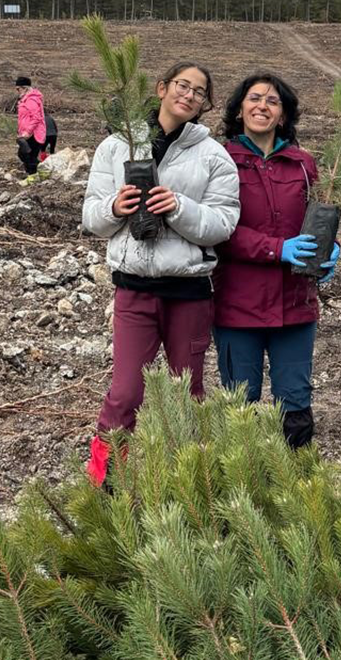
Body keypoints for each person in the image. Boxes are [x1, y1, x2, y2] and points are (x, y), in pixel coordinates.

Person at [81, 62, 240, 486]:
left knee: (186, 394)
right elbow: (91, 215)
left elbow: (224, 223)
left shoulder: (214, 156)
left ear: (205, 104)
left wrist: (179, 208)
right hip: (133, 290)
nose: (188, 95)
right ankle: (106, 481)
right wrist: (115, 207)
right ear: (162, 88)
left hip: (188, 292)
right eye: (182, 86)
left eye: (199, 92)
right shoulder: (118, 145)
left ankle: (189, 483)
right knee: (126, 393)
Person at [212, 72, 341, 449]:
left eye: (272, 101)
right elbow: (217, 230)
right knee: (241, 404)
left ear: (283, 116)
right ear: (239, 109)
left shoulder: (303, 164)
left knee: (296, 404)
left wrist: (331, 249)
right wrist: (275, 249)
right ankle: (242, 489)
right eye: (254, 98)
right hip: (238, 306)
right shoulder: (220, 159)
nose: (262, 106)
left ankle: (297, 484)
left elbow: (319, 217)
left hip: (294, 306)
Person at [15, 77, 46, 175]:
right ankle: (34, 173)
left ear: (24, 88)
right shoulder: (25, 100)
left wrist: (28, 132)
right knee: (24, 154)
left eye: (18, 89)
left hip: (34, 133)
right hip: (26, 133)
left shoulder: (31, 100)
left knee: (28, 155)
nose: (17, 91)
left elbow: (36, 118)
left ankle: (34, 174)